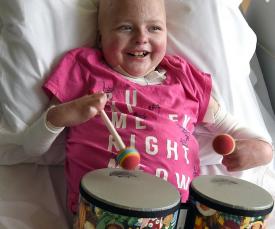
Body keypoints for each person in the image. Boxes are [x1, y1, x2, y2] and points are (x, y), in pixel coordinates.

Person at [22, 0, 273, 214]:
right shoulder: (85, 69)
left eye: (154, 28)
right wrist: (60, 117)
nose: (141, 38)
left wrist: (263, 151)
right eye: (125, 27)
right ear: (101, 37)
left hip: (179, 214)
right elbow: (31, 148)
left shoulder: (184, 78)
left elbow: (234, 128)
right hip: (106, 212)